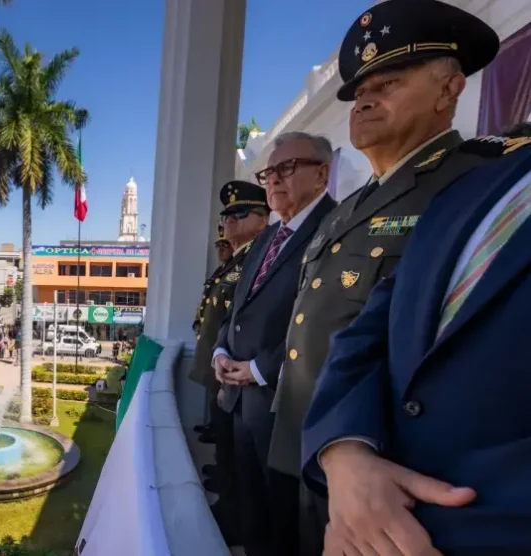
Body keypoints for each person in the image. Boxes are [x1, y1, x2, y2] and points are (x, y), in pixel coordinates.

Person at [267, 3, 508, 554]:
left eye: (390, 82)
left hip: (390, 469)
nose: (366, 100)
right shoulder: (349, 208)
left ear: (449, 90)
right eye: (359, 91)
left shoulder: (479, 182)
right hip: (315, 441)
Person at [212, 132, 337, 556]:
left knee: (286, 521)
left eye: (288, 168)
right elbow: (239, 307)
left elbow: (327, 317)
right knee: (254, 512)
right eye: (269, 172)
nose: (275, 179)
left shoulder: (336, 226)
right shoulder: (268, 237)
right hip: (243, 397)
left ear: (322, 173)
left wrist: (261, 368)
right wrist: (221, 350)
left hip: (288, 401)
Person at [188, 182, 269, 545]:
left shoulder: (258, 258)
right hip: (219, 363)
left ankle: (234, 516)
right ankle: (227, 500)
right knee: (224, 444)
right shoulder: (237, 259)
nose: (230, 222)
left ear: (264, 219)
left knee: (236, 455)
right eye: (227, 216)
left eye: (239, 214)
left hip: (238, 375)